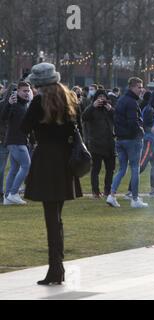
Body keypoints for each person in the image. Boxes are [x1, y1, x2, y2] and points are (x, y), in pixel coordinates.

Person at [21, 62, 83, 285]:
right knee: (57, 218)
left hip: (46, 161)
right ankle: (58, 268)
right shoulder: (70, 98)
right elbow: (79, 130)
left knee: (51, 218)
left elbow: (24, 128)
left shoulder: (39, 101)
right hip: (65, 162)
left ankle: (56, 270)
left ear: (39, 84)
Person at [106, 77, 148, 209]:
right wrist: (141, 131)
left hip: (120, 139)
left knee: (122, 169)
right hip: (132, 140)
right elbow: (132, 122)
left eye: (141, 87)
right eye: (139, 87)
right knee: (135, 168)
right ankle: (134, 199)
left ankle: (111, 195)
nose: (141, 90)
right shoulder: (132, 102)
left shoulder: (122, 100)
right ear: (132, 87)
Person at [125, 90, 154, 198]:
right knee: (140, 167)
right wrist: (150, 128)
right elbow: (142, 125)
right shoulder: (149, 110)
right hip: (148, 142)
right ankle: (130, 192)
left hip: (153, 144)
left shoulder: (152, 109)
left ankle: (153, 190)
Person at [1, 81, 33, 205]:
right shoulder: (14, 103)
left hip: (18, 141)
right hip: (15, 141)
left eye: (28, 90)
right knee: (26, 165)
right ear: (17, 91)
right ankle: (14, 193)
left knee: (14, 168)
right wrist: (9, 104)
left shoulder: (24, 104)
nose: (27, 93)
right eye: (24, 91)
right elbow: (3, 118)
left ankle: (7, 196)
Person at [82, 89, 116, 199]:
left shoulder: (109, 108)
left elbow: (117, 118)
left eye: (104, 97)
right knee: (96, 169)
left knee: (110, 169)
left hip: (109, 143)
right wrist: (93, 106)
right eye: (99, 97)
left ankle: (107, 190)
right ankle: (95, 192)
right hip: (96, 143)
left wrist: (111, 110)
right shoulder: (92, 109)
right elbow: (84, 117)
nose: (102, 99)